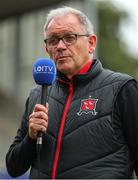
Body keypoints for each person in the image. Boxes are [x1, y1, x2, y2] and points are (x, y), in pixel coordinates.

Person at [6, 6, 138, 179]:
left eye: (69, 38)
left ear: (91, 43)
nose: (60, 46)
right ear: (47, 49)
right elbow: (13, 168)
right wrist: (30, 138)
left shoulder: (122, 88)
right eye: (53, 40)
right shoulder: (37, 95)